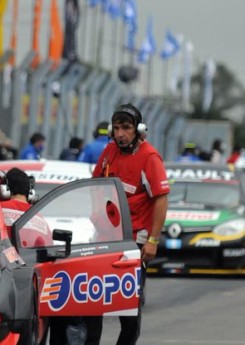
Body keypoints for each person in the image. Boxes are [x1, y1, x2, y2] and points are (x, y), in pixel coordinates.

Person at [86, 103, 169, 345]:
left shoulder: (150, 158)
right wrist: (96, 215)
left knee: (128, 313)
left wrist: (152, 241)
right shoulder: (109, 152)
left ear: (139, 130)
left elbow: (161, 200)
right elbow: (95, 185)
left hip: (134, 243)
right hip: (104, 239)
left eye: (126, 128)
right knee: (93, 306)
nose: (120, 134)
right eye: (117, 128)